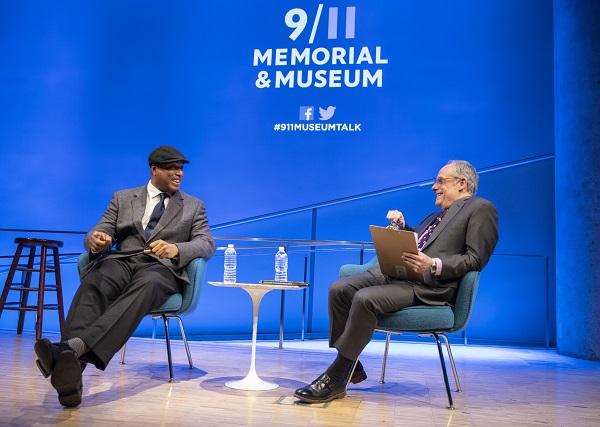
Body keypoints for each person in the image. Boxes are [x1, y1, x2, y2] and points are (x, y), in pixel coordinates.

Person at [294, 160, 499, 403]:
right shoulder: (435, 216)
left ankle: (338, 376)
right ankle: (352, 365)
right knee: (339, 289)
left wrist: (433, 265)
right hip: (396, 274)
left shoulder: (481, 208)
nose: (434, 187)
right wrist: (404, 229)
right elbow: (421, 244)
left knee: (365, 299)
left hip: (428, 286)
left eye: (441, 181)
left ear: (462, 183)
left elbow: (475, 259)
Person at [34, 145, 215, 407]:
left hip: (160, 269)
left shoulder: (193, 206)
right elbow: (99, 229)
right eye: (172, 168)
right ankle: (70, 379)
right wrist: (96, 240)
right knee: (95, 280)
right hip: (122, 261)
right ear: (154, 170)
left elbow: (206, 243)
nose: (179, 173)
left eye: (181, 168)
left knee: (148, 285)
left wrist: (177, 248)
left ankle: (67, 350)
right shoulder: (123, 198)